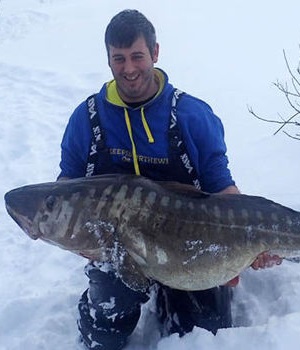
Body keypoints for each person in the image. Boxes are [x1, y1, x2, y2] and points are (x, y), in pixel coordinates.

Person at [58, 9, 282, 350]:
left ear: (155, 53)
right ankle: (107, 310)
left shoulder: (192, 115)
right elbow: (65, 189)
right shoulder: (86, 119)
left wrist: (252, 243)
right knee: (104, 334)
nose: (129, 69)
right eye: (119, 59)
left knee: (201, 334)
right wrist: (77, 238)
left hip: (191, 244)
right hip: (120, 248)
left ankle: (173, 296)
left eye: (137, 56)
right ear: (108, 59)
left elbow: (223, 189)